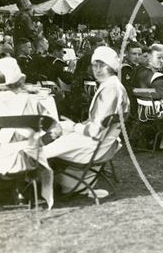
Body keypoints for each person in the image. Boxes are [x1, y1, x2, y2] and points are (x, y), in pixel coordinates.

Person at [44, 47, 129, 197]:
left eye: (102, 65)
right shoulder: (111, 85)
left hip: (94, 146)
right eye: (95, 65)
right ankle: (63, 183)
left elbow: (96, 130)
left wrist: (73, 126)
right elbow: (97, 122)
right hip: (103, 143)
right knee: (54, 134)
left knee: (40, 148)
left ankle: (30, 188)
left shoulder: (111, 90)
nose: (97, 69)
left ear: (112, 67)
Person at [0, 58, 56, 207]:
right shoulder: (32, 102)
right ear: (18, 80)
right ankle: (21, 189)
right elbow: (55, 129)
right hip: (30, 159)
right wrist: (38, 144)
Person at [133, 43, 163, 149]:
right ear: (149, 58)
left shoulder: (138, 71)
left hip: (141, 110)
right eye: (158, 58)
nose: (162, 61)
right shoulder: (157, 77)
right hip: (155, 112)